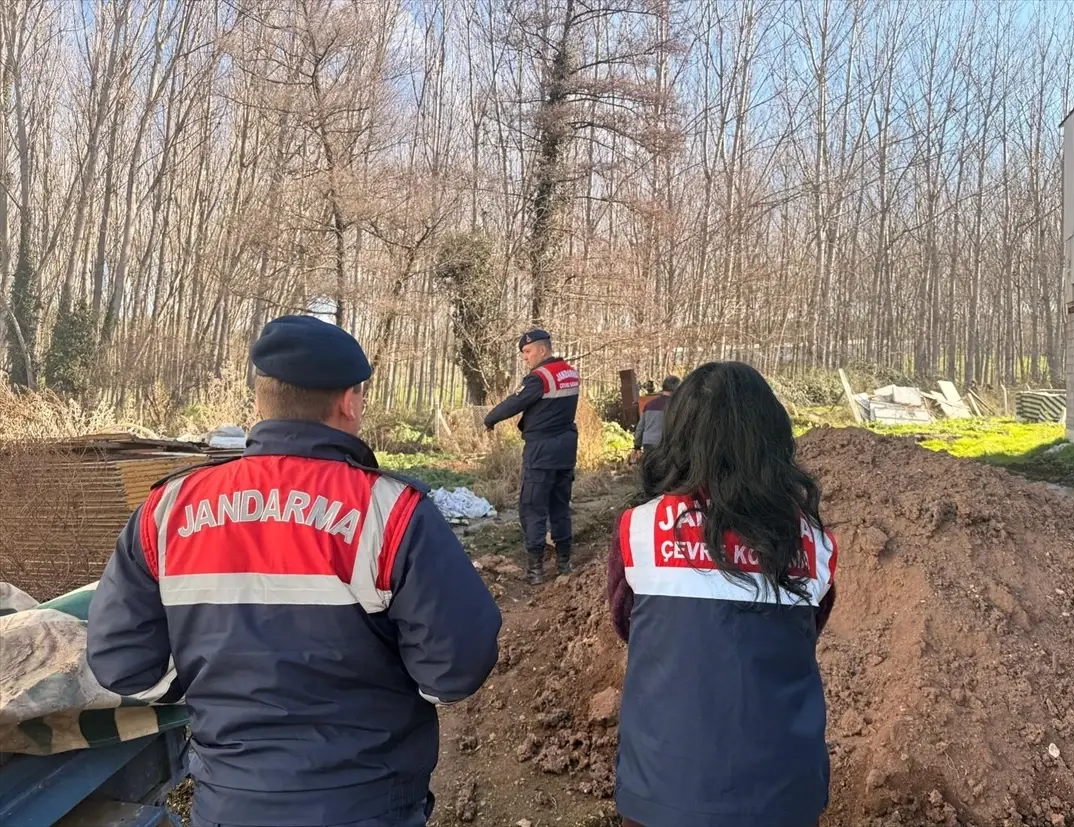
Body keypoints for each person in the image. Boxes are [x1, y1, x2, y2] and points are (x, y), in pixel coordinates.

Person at [86, 315, 503, 827]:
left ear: (261, 400)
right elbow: (456, 670)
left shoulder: (167, 510)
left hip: (228, 802)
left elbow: (123, 662)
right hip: (366, 802)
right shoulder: (390, 511)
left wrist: (201, 688)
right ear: (349, 401)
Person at [606, 361, 838, 827]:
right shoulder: (811, 540)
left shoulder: (640, 529)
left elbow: (629, 624)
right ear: (772, 438)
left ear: (680, 434)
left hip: (661, 789)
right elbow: (808, 631)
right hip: (784, 794)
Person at [484, 329, 580, 585]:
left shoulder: (540, 377)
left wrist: (490, 419)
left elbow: (515, 402)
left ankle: (535, 570)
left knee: (532, 507)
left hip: (541, 450)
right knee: (560, 506)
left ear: (542, 349)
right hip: (566, 448)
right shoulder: (570, 372)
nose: (525, 358)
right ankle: (564, 562)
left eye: (527, 352)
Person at [629, 374, 680, 465]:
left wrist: (637, 446)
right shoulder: (676, 406)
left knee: (650, 471)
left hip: (649, 444)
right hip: (666, 445)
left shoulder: (649, 405)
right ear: (677, 390)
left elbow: (640, 427)